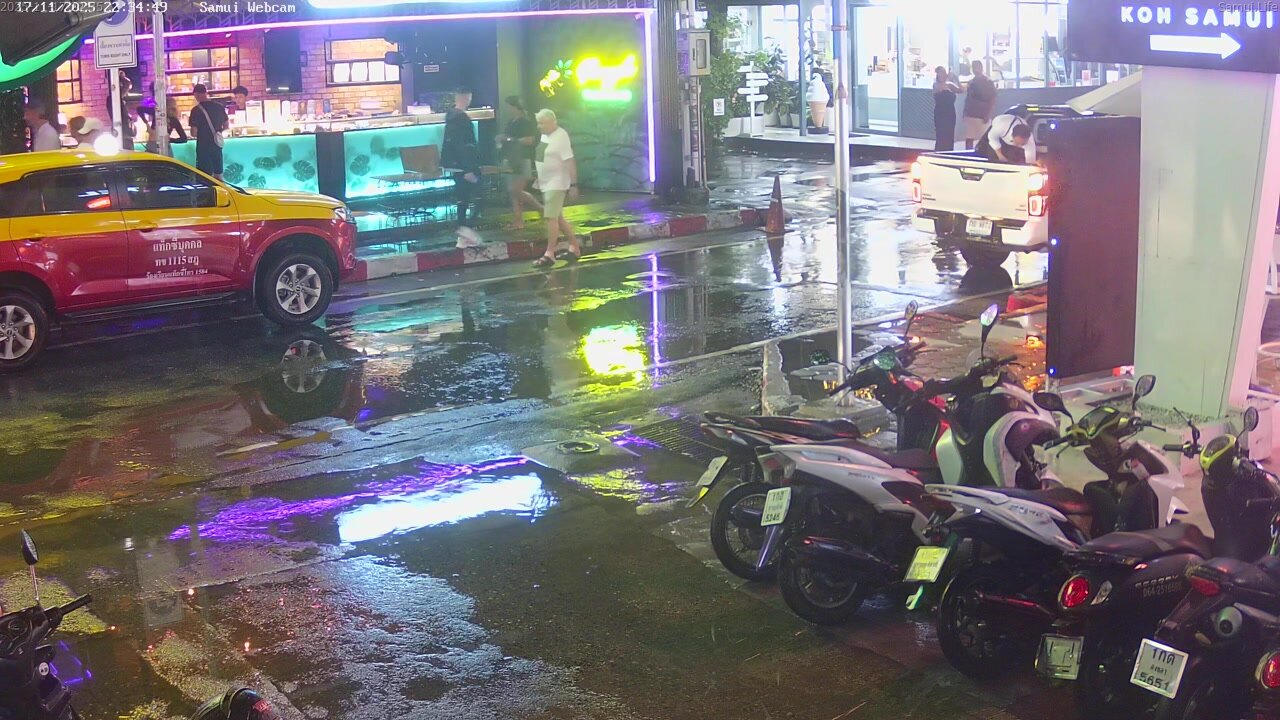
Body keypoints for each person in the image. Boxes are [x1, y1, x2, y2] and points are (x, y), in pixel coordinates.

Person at [531, 109, 579, 269]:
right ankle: (574, 247)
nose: (539, 126)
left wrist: (573, 185)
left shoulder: (561, 136)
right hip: (546, 182)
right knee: (557, 217)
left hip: (557, 183)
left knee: (550, 217)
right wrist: (539, 176)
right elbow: (542, 157)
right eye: (538, 123)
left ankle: (549, 253)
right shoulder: (545, 135)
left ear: (553, 122)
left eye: (542, 123)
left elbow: (570, 161)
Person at [441, 87, 481, 233]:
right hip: (465, 165)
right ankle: (466, 227)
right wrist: (469, 168)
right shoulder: (462, 119)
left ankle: (463, 227)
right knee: (477, 195)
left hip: (454, 164)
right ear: (467, 98)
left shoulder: (451, 117)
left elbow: (455, 143)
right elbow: (464, 145)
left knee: (462, 197)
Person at [499, 96, 542, 229]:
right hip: (511, 158)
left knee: (516, 190)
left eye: (510, 106)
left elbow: (530, 140)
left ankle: (540, 208)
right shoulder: (511, 122)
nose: (508, 109)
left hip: (522, 158)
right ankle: (518, 221)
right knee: (513, 192)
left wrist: (510, 139)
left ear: (516, 107)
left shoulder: (526, 122)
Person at [189, 83, 228, 179]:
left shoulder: (196, 110)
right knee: (218, 174)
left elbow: (194, 133)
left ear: (196, 94)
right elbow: (226, 125)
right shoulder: (219, 107)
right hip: (216, 145)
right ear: (206, 92)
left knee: (205, 177)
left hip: (203, 147)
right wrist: (217, 132)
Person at [961, 61, 997, 150]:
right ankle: (968, 155)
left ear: (981, 68)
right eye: (974, 67)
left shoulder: (988, 82)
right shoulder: (971, 82)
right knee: (969, 138)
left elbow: (992, 99)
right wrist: (965, 112)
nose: (975, 69)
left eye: (977, 67)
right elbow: (968, 98)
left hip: (982, 115)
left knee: (985, 139)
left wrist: (988, 114)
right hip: (970, 114)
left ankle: (985, 154)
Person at [932, 66, 960, 152]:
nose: (943, 74)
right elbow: (939, 90)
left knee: (949, 134)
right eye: (941, 72)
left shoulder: (950, 85)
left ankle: (949, 151)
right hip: (940, 114)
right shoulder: (936, 85)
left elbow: (961, 90)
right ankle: (939, 152)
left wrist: (956, 79)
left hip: (950, 113)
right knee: (941, 135)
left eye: (944, 72)